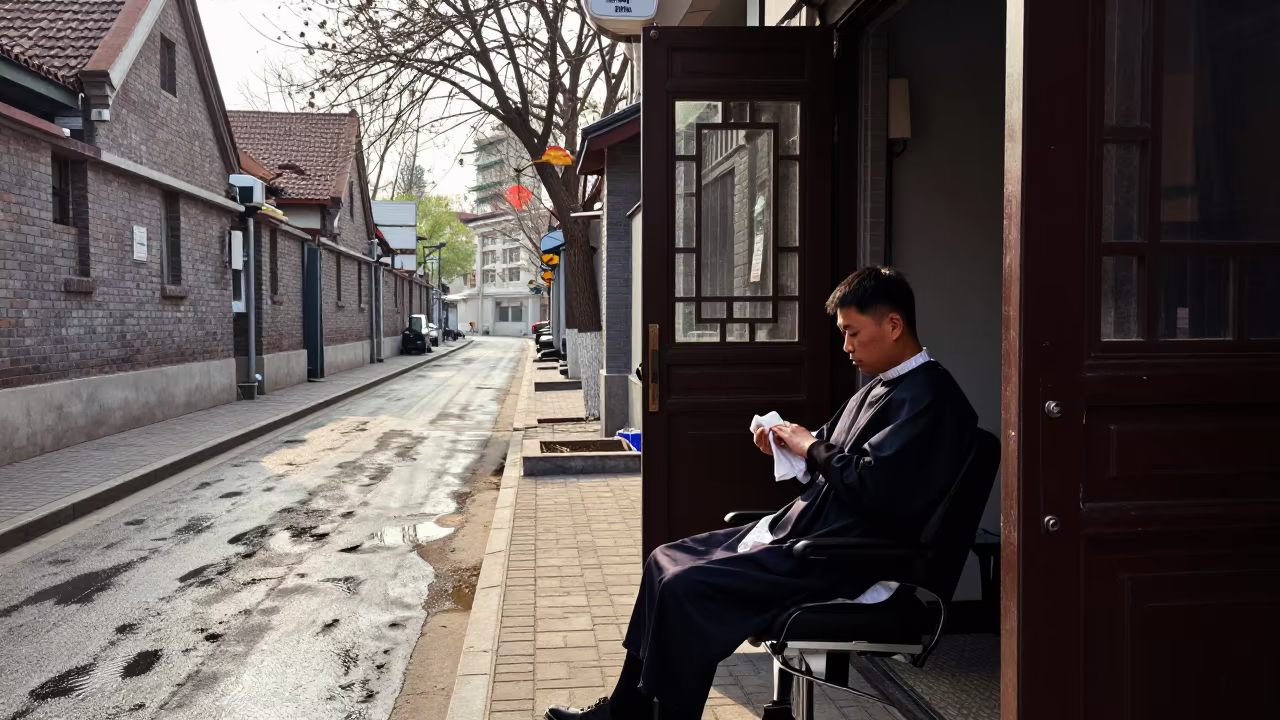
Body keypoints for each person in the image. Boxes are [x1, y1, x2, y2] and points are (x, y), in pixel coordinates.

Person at [544, 267, 978, 720]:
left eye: (852, 333)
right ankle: (625, 708)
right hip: (813, 532)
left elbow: (873, 486)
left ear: (893, 325)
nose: (846, 346)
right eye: (843, 334)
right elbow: (827, 449)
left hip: (846, 557)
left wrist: (809, 446)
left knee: (685, 588)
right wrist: (788, 443)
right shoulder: (882, 386)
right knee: (663, 560)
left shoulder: (932, 399)